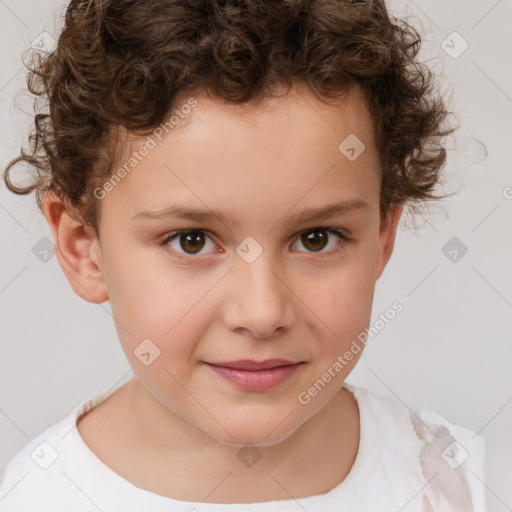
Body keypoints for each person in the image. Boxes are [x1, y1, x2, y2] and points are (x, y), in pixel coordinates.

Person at [0, 0, 486, 510]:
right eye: (191, 240)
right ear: (85, 250)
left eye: (317, 238)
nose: (262, 313)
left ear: (383, 237)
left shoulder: (457, 485)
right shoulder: (38, 496)